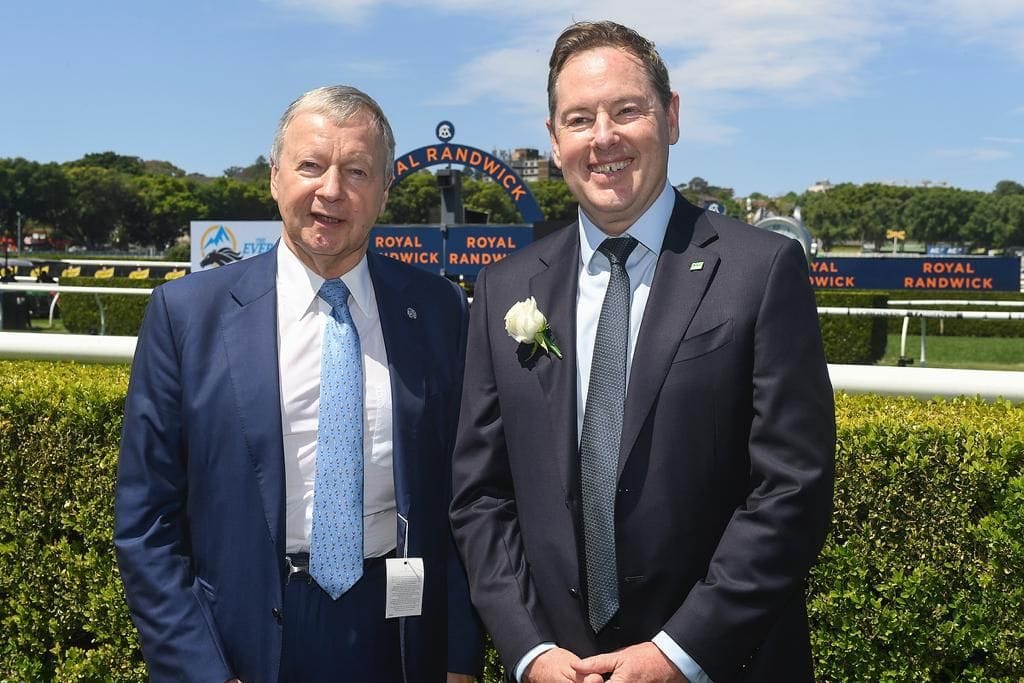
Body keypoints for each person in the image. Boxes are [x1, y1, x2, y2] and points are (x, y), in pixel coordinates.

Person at [450, 21, 835, 683]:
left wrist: (678, 654)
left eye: (627, 110)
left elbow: (792, 488)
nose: (604, 138)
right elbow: (480, 495)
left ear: (671, 116)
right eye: (579, 119)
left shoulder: (762, 270)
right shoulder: (502, 289)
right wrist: (531, 650)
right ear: (554, 140)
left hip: (720, 665)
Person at [115, 85, 482, 683]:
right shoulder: (186, 316)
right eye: (311, 165)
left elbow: (466, 498)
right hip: (243, 644)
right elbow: (145, 523)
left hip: (401, 637)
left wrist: (458, 656)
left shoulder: (439, 309)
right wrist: (203, 671)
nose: (331, 190)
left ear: (385, 190)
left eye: (357, 171)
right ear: (275, 176)